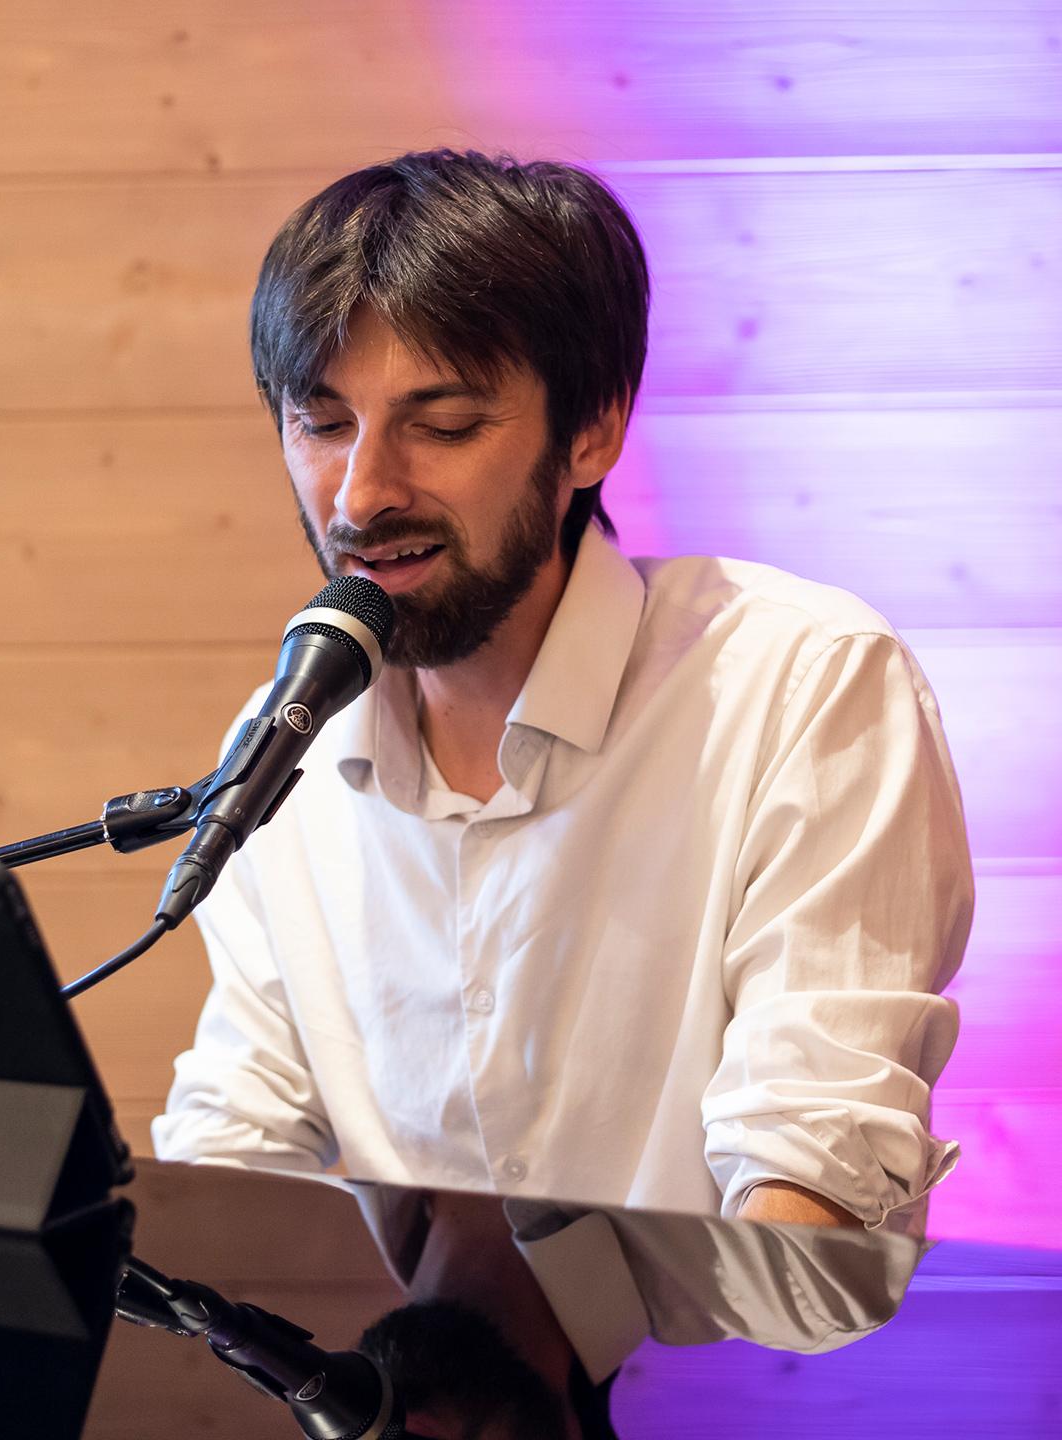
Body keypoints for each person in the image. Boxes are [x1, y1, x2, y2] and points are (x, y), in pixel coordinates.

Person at [152, 149, 973, 1429]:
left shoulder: (798, 683)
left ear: (591, 429)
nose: (363, 492)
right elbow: (235, 1140)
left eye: (446, 422)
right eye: (322, 421)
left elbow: (814, 1182)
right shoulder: (288, 737)